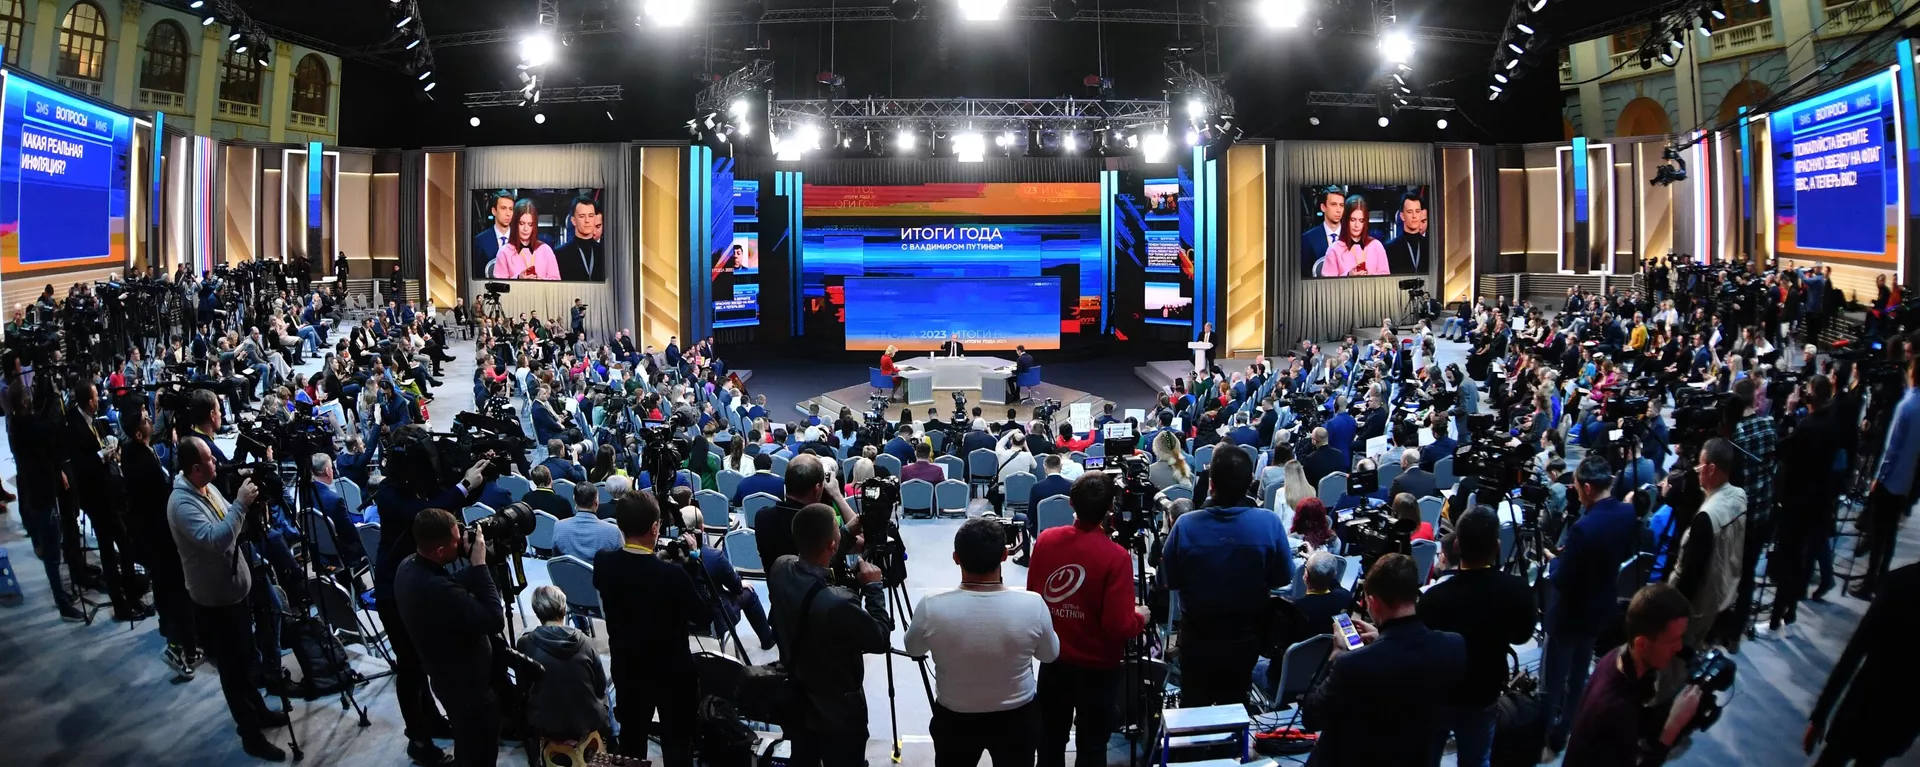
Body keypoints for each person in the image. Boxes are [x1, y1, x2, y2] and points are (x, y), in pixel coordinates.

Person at [167, 436, 285, 761]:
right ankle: (250, 735)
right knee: (232, 672)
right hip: (215, 603)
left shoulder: (207, 488)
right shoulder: (182, 504)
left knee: (245, 661)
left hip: (234, 594)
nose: (215, 462)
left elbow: (229, 524)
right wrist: (241, 504)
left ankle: (258, 712)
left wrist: (248, 508)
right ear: (195, 468)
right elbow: (216, 539)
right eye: (209, 459)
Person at [906, 518, 1060, 767]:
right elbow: (1050, 655)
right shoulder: (1033, 604)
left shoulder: (930, 607)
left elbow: (913, 649)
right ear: (1004, 555)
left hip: (955, 718)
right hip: (1017, 717)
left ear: (956, 558)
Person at [1027, 473, 1148, 767]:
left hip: (1054, 661)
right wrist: (1139, 617)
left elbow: (1034, 599)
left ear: (1071, 503)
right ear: (1110, 509)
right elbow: (1118, 626)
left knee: (1050, 738)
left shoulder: (1046, 540)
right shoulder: (1116, 556)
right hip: (1098, 667)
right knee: (1093, 743)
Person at [1300, 553, 1466, 765]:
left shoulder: (1351, 664)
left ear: (1373, 602)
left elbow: (1311, 717)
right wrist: (1384, 636)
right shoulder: (1453, 646)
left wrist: (1337, 654)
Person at [768, 503, 895, 767]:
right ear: (832, 546)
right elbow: (880, 638)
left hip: (798, 697)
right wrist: (873, 587)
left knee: (804, 757)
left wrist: (845, 533)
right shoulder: (839, 603)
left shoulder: (781, 568)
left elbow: (816, 565)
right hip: (839, 713)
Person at [1160, 447, 1290, 706]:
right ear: (1251, 483)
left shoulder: (1185, 525)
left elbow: (1169, 581)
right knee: (1234, 701)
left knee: (1194, 704)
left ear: (1211, 485)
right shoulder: (1269, 523)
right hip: (1247, 638)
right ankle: (1230, 746)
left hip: (1198, 638)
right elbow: (1281, 577)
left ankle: (1195, 745)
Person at [1417, 507, 1538, 767]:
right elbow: (1521, 636)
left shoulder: (1433, 599)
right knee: (1476, 759)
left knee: (1427, 757)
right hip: (1484, 692)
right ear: (1496, 546)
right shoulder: (1515, 590)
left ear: (1457, 545)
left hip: (1440, 695)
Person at [1539, 455, 1640, 757]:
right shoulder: (1627, 513)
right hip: (1599, 608)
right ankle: (1566, 729)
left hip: (1569, 614)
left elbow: (1562, 578)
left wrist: (1556, 560)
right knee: (1580, 674)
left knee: (1551, 684)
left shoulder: (1584, 527)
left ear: (1585, 488)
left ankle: (1543, 735)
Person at [594, 494, 703, 764]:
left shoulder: (604, 563)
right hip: (672, 673)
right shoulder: (674, 576)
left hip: (628, 667)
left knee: (631, 741)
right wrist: (691, 565)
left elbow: (635, 573)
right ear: (655, 528)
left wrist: (659, 558)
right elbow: (704, 615)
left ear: (619, 525)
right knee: (677, 743)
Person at [396, 508, 505, 767]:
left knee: (466, 741)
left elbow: (450, 582)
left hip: (444, 677)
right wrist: (479, 565)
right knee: (480, 752)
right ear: (441, 552)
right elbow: (494, 619)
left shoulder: (408, 566)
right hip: (469, 690)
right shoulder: (439, 591)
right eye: (456, 541)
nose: (461, 542)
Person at [1561, 584, 1701, 767]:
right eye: (1672, 640)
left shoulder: (1615, 657)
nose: (1679, 647)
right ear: (1642, 644)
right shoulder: (1617, 711)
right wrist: (1671, 730)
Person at [1805, 562, 1920, 766]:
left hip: (1863, 705)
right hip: (1902, 720)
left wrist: (1821, 713)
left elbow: (1855, 652)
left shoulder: (1901, 582)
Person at [64, 380, 147, 621]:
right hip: (96, 499)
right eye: (95, 397)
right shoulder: (74, 427)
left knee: (123, 546)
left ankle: (130, 594)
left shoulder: (93, 420)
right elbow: (80, 467)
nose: (99, 399)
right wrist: (102, 455)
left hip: (108, 493)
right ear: (89, 401)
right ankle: (123, 604)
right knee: (112, 553)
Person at [124, 407, 197, 675]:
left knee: (166, 588)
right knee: (175, 591)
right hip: (159, 535)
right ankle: (181, 649)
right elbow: (159, 495)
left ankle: (175, 634)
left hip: (149, 534)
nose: (150, 421)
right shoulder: (142, 460)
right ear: (137, 430)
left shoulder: (134, 451)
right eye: (145, 419)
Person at [1772, 375, 1841, 631]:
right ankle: (1792, 609)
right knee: (1805, 556)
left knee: (1789, 556)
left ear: (1811, 396)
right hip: (1819, 499)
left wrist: (1790, 414)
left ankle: (1779, 613)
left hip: (1797, 502)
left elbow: (1782, 450)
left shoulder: (1806, 427)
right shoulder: (1832, 425)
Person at [1669, 438, 1748, 649]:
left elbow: (1691, 575)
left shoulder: (1706, 517)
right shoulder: (1739, 496)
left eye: (1700, 465)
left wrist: (1674, 613)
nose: (1697, 471)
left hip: (1696, 607)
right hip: (1722, 593)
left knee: (1676, 664)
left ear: (1711, 468)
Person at [1856, 354, 1920, 598]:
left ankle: (1869, 582)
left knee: (1879, 533)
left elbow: (1892, 448)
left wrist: (1878, 478)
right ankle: (1880, 578)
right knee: (1890, 534)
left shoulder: (1906, 405)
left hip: (1890, 479)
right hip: (1907, 479)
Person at [516, 585, 612, 748]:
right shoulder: (587, 642)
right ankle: (612, 739)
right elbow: (600, 686)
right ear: (563, 607)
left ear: (537, 611)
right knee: (607, 694)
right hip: (587, 721)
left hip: (545, 723)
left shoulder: (526, 643)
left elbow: (523, 688)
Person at [676, 508, 776, 650]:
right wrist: (740, 584)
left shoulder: (669, 556)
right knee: (749, 592)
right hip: (713, 618)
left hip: (682, 618)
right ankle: (767, 640)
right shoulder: (714, 556)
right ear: (702, 528)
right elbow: (736, 587)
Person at [494, 198, 561, 280]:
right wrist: (518, 279)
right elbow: (499, 285)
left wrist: (542, 282)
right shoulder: (504, 252)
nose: (526, 229)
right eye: (522, 224)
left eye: (530, 224)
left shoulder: (545, 250)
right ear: (515, 223)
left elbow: (556, 281)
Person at [1324, 195, 1390, 277]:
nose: (1357, 225)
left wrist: (1370, 278)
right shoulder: (1334, 250)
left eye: (1361, 220)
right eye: (1353, 220)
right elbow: (1327, 285)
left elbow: (1386, 278)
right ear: (1346, 220)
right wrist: (1348, 276)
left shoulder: (1376, 246)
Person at [555, 488, 624, 563]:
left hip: (568, 573)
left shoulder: (559, 526)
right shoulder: (613, 530)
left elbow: (556, 558)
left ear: (574, 499)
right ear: (596, 501)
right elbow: (620, 560)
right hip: (601, 574)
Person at [554, 196, 605, 281]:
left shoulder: (605, 253)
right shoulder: (560, 254)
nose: (587, 220)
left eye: (591, 216)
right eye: (582, 216)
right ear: (573, 221)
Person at [1301, 185, 1346, 272]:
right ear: (1323, 207)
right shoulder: (1308, 238)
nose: (1338, 210)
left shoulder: (1352, 235)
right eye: (1333, 204)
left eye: (1341, 205)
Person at [1383, 192, 1429, 275]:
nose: (1414, 216)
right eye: (1410, 212)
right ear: (1402, 216)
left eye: (1417, 211)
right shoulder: (1390, 249)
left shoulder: (1430, 246)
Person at [474, 189, 516, 276]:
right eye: (503, 208)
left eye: (511, 209)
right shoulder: (480, 241)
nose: (508, 213)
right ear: (494, 211)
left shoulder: (520, 238)